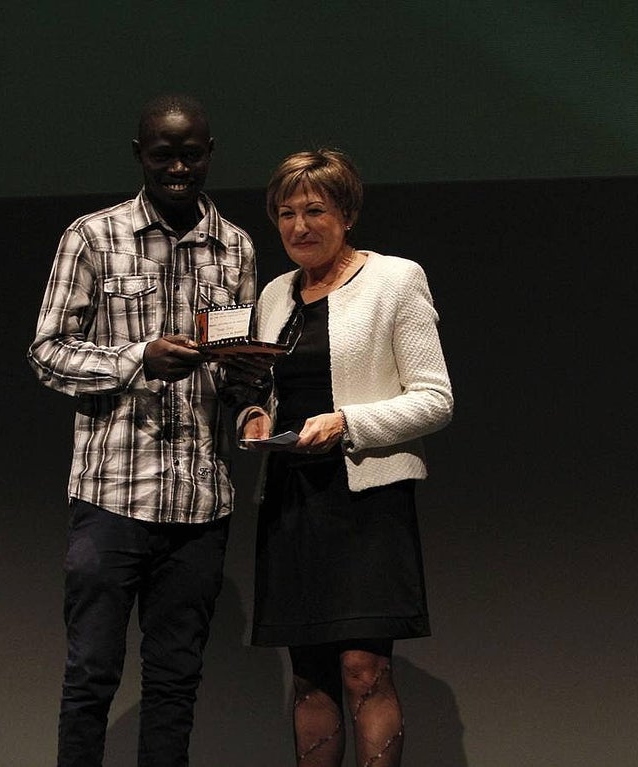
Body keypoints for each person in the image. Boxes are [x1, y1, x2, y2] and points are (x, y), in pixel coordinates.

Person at [28, 94, 263, 767]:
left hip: (199, 502)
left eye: (192, 153)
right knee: (91, 676)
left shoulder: (237, 247)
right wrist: (137, 359)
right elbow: (47, 352)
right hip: (112, 499)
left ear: (211, 152)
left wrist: (249, 387)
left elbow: (235, 359)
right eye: (165, 154)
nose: (180, 167)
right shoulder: (92, 237)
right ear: (140, 156)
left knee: (174, 684)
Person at [240, 149, 454, 767]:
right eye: (285, 214)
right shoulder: (276, 296)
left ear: (347, 214)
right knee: (308, 675)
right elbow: (265, 393)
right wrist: (255, 419)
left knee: (364, 669)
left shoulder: (395, 279)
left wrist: (349, 423)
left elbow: (435, 400)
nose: (299, 227)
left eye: (315, 210)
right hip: (291, 499)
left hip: (365, 499)